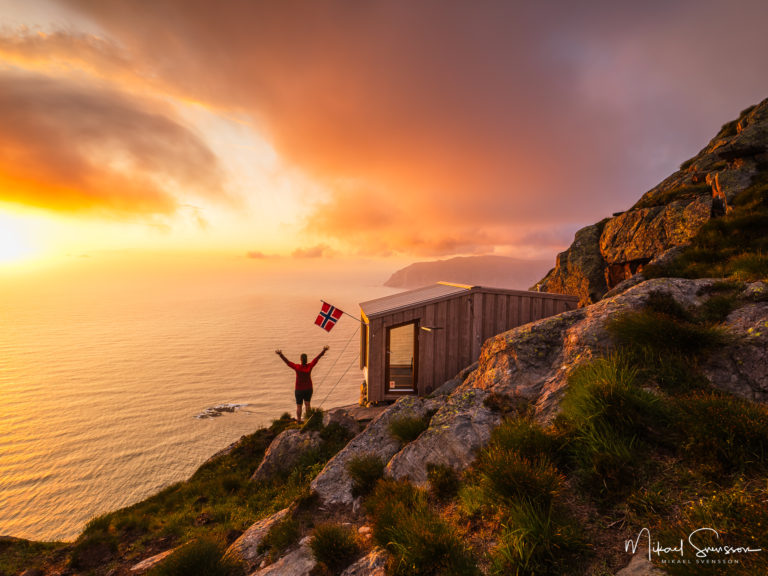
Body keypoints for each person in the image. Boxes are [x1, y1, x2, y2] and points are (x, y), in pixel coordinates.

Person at [275, 345, 329, 423]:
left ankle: (299, 420)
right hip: (308, 389)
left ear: (300, 359)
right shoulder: (309, 366)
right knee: (307, 404)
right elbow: (317, 358)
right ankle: (308, 419)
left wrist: (281, 355)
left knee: (299, 406)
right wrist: (324, 350)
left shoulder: (297, 367)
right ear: (306, 360)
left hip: (299, 390)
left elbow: (288, 362)